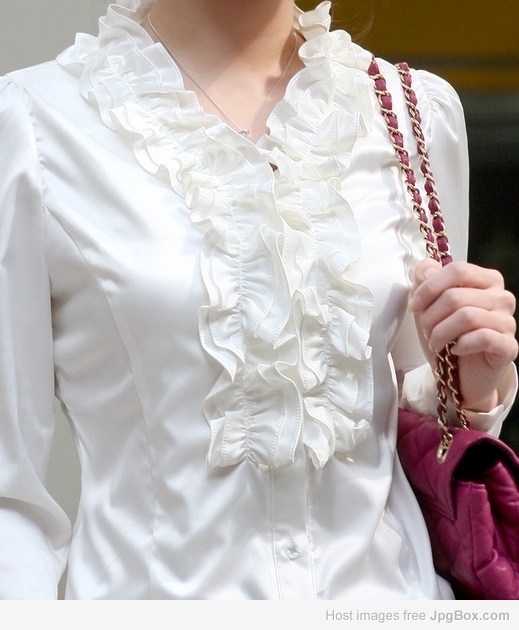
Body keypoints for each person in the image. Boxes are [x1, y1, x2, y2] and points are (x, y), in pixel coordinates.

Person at [0, 0, 517, 600]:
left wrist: (471, 389)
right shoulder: (31, 125)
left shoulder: (412, 110)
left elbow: (406, 411)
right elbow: (11, 498)